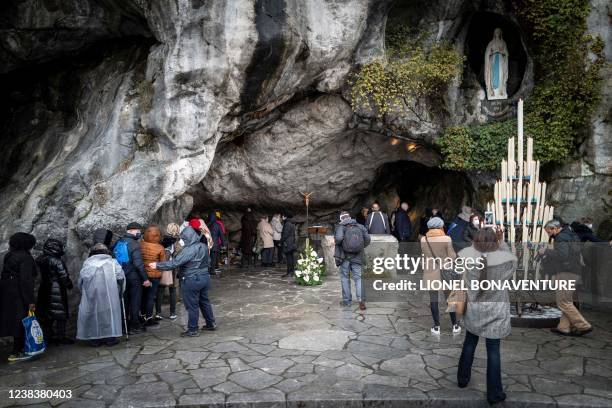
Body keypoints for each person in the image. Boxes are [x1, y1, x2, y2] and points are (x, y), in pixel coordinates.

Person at [457, 228, 516, 405]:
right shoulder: (503, 262)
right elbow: (513, 262)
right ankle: (494, 393)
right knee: (493, 351)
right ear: (495, 243)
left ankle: (462, 379)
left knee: (469, 343)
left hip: (475, 310)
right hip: (495, 313)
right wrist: (502, 241)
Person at [150, 226, 215, 337]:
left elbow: (175, 263)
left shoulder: (189, 250)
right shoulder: (203, 246)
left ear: (187, 238)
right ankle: (210, 323)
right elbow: (208, 261)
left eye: (183, 238)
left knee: (192, 305)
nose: (182, 240)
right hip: (204, 277)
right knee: (204, 301)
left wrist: (157, 265)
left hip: (191, 279)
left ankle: (193, 329)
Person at [541, 219, 592, 336]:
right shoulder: (570, 234)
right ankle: (563, 327)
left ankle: (584, 325)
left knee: (563, 301)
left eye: (549, 232)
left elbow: (563, 256)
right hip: (574, 271)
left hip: (566, 273)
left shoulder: (560, 238)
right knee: (567, 300)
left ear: (555, 228)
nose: (548, 235)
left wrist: (546, 251)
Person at [77, 243, 125, 346]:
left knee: (93, 315)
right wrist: (121, 289)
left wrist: (82, 289)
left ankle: (95, 339)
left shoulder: (88, 263)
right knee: (109, 315)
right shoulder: (112, 262)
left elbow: (81, 278)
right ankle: (110, 339)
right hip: (109, 293)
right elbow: (120, 276)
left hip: (92, 293)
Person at [0, 233, 37, 362]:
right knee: (21, 322)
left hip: (7, 293)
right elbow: (26, 280)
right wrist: (30, 301)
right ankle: (16, 352)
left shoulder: (9, 256)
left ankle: (17, 350)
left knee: (13, 321)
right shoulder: (25, 258)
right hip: (19, 294)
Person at [420, 217, 460, 335]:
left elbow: (424, 256)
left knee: (433, 300)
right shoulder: (447, 238)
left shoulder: (424, 239)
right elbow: (452, 256)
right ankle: (455, 325)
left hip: (430, 273)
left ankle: (436, 327)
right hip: (445, 273)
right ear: (441, 226)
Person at [35, 238, 73, 345]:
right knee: (61, 315)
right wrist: (69, 285)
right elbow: (63, 275)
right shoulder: (57, 260)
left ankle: (48, 337)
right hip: (57, 289)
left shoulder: (40, 259)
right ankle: (61, 337)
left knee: (47, 315)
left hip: (44, 288)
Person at [114, 222, 150, 335]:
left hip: (120, 276)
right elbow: (138, 264)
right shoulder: (134, 244)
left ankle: (124, 327)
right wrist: (145, 279)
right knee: (135, 301)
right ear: (131, 231)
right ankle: (135, 326)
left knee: (123, 301)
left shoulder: (118, 242)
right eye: (138, 231)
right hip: (133, 277)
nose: (139, 233)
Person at [334, 211, 371, 310]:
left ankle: (347, 301)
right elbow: (368, 239)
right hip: (358, 257)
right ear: (350, 217)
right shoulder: (360, 226)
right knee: (358, 279)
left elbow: (338, 239)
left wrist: (344, 245)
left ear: (341, 219)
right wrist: (359, 247)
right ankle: (361, 300)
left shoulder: (341, 227)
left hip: (345, 257)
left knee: (345, 278)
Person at [140, 225, 166, 326]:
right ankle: (149, 317)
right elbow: (163, 263)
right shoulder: (160, 248)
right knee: (151, 297)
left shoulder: (140, 245)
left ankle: (142, 315)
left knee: (142, 296)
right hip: (154, 275)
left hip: (142, 274)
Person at [156, 224, 180, 320]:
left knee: (160, 290)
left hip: (160, 266)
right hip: (171, 268)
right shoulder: (176, 242)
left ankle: (158, 312)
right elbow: (173, 255)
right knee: (172, 290)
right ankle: (172, 313)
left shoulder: (161, 240)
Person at [281, 211, 297, 277]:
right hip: (291, 242)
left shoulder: (287, 223)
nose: (282, 217)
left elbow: (285, 234)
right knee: (291, 257)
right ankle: (291, 272)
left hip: (288, 243)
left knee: (289, 258)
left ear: (285, 216)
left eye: (282, 216)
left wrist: (281, 241)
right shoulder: (292, 223)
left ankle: (290, 272)